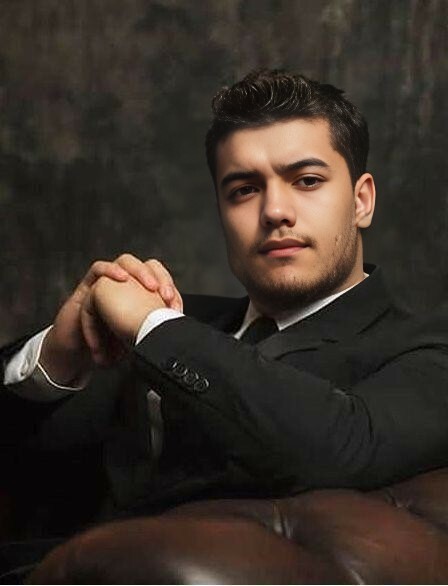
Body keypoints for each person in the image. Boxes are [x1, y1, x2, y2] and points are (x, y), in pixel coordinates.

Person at [2, 69, 448, 576]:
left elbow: (342, 449)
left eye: (307, 181)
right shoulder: (166, 317)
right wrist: (55, 358)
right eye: (244, 190)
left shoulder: (425, 346)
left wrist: (154, 328)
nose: (275, 211)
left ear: (361, 201)